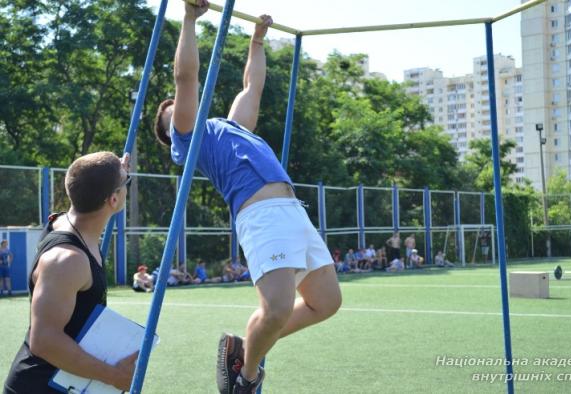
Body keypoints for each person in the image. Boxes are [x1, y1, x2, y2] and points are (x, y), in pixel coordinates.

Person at [152, 2, 341, 393]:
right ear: (171, 131)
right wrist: (189, 19)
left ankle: (243, 347)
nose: (180, 107)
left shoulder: (231, 128)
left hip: (291, 210)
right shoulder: (188, 138)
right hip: (261, 214)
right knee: (276, 308)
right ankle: (247, 376)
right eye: (172, 110)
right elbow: (186, 79)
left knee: (327, 301)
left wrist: (256, 41)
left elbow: (251, 86)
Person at [4, 152, 138, 393]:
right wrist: (114, 376)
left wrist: (115, 173)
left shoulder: (68, 221)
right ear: (114, 200)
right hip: (38, 386)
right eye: (126, 182)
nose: (128, 183)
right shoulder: (67, 261)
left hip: (67, 383)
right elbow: (44, 341)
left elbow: (91, 181)